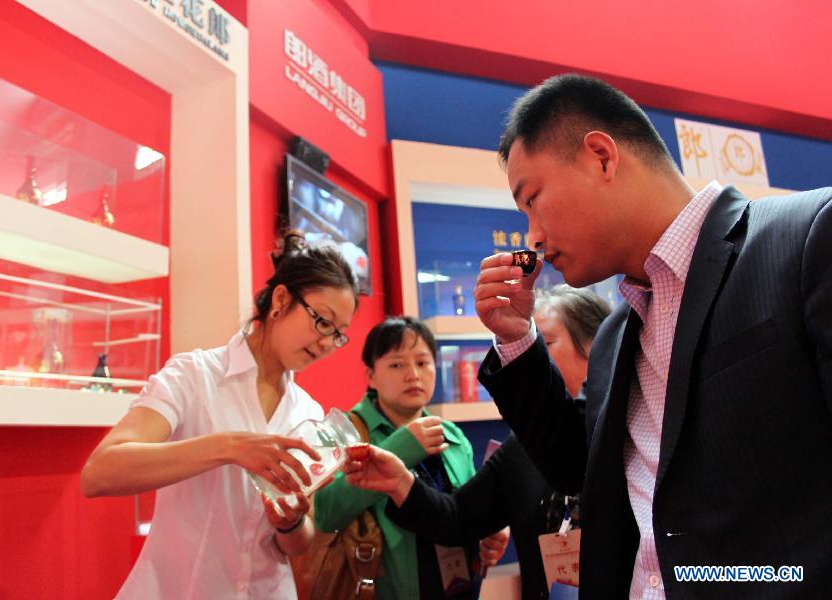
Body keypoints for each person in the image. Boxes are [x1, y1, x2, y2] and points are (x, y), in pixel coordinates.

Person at [473, 73, 832, 598]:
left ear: (601, 156)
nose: (532, 234)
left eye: (533, 199)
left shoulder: (805, 236)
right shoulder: (618, 333)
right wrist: (515, 339)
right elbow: (577, 467)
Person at [80, 231, 359, 599]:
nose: (327, 343)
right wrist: (228, 447)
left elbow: (298, 544)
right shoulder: (194, 376)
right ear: (281, 299)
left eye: (339, 335)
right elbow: (99, 473)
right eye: (323, 322)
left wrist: (290, 524)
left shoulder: (307, 411)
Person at [343, 286, 611, 599]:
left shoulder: (630, 433)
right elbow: (458, 518)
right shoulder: (524, 446)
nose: (529, 358)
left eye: (543, 344)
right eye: (396, 364)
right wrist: (400, 483)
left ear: (598, 347)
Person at [313, 316, 496, 600]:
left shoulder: (452, 435)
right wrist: (401, 447)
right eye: (397, 364)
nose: (413, 374)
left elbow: (471, 509)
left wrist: (492, 529)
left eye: (423, 363)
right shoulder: (344, 432)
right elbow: (324, 513)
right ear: (371, 375)